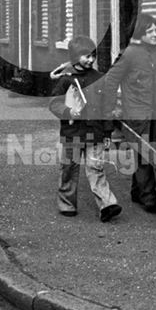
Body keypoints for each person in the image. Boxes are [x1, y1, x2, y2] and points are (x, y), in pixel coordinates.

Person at [48, 35, 122, 222]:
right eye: (86, 56)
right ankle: (67, 203)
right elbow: (54, 104)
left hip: (95, 132)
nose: (90, 59)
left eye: (93, 56)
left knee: (95, 167)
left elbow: (107, 108)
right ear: (74, 56)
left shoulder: (99, 79)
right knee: (69, 168)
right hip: (72, 133)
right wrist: (68, 112)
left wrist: (107, 132)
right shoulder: (66, 80)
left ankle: (107, 204)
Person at [102, 13, 156, 212]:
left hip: (155, 112)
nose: (155, 34)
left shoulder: (152, 53)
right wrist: (112, 107)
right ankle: (149, 197)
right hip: (137, 113)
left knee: (149, 152)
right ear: (140, 34)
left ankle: (138, 191)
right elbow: (110, 80)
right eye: (150, 31)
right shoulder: (129, 54)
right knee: (145, 155)